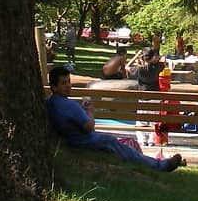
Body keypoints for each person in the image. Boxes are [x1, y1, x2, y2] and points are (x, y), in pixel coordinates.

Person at [45, 66, 183, 172]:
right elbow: (89, 127)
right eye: (63, 83)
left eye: (69, 82)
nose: (68, 86)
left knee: (124, 146)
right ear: (54, 86)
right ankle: (160, 166)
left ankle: (159, 163)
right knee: (121, 147)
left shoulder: (50, 102)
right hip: (88, 142)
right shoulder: (69, 105)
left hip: (73, 141)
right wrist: (90, 112)